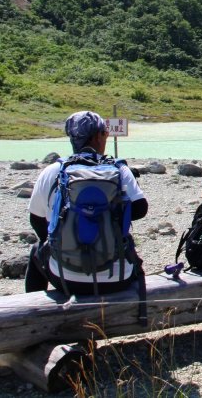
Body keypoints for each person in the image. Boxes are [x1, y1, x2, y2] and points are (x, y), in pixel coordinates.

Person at [25, 111, 148, 294]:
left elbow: (36, 220)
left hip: (65, 279)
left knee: (37, 250)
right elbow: (141, 209)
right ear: (98, 136)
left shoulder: (53, 171)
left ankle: (34, 308)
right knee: (130, 253)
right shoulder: (119, 170)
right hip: (117, 278)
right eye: (105, 133)